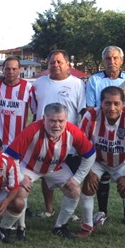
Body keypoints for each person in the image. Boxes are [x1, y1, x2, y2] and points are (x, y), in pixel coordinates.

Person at [3, 103, 96, 240]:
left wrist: (77, 178)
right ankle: (20, 227)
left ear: (67, 119)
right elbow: (10, 155)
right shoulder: (33, 129)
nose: (56, 125)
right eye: (52, 120)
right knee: (21, 189)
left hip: (55, 168)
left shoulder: (72, 131)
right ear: (44, 118)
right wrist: (21, 176)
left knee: (75, 190)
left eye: (61, 121)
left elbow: (90, 154)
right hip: (30, 167)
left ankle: (60, 226)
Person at [85, 46, 125, 226]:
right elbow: (90, 108)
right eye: (107, 59)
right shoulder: (95, 80)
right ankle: (102, 211)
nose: (111, 62)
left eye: (115, 58)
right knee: (101, 172)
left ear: (121, 60)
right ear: (103, 61)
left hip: (124, 134)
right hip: (101, 132)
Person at [76, 86, 125, 244]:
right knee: (88, 186)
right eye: (107, 103)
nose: (112, 108)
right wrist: (88, 171)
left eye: (116, 103)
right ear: (101, 103)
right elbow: (80, 144)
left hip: (121, 162)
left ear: (123, 104)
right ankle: (87, 226)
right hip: (97, 160)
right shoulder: (91, 115)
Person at [30, 49, 86, 219]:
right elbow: (35, 111)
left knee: (72, 177)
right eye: (52, 62)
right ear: (47, 65)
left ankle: (71, 211)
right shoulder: (38, 83)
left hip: (69, 141)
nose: (55, 65)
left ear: (67, 64)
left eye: (59, 62)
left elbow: (83, 111)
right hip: (44, 140)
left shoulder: (77, 84)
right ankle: (49, 209)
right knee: (46, 176)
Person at [0, 56, 33, 149]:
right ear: (3, 70)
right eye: (8, 69)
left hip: (17, 140)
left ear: (19, 70)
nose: (11, 71)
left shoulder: (27, 87)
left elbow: (35, 111)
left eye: (14, 69)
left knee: (15, 164)